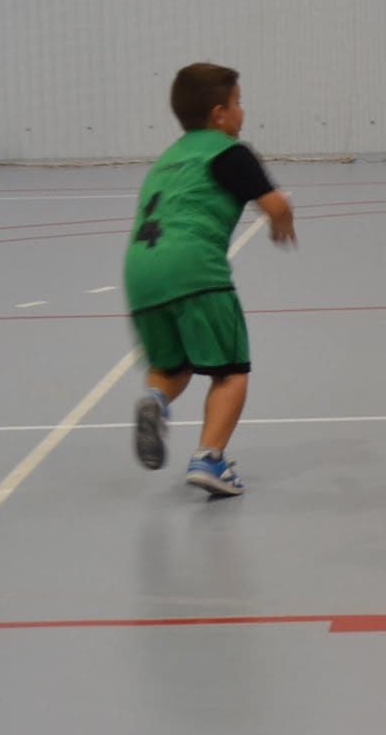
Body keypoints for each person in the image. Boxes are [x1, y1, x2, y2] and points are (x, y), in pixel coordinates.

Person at [126, 62, 297, 497]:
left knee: (171, 365)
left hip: (140, 273)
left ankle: (155, 401)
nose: (243, 112)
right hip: (194, 269)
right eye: (238, 103)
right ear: (219, 114)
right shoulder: (228, 152)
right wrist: (283, 221)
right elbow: (275, 204)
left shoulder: (168, 158)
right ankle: (210, 458)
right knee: (230, 371)